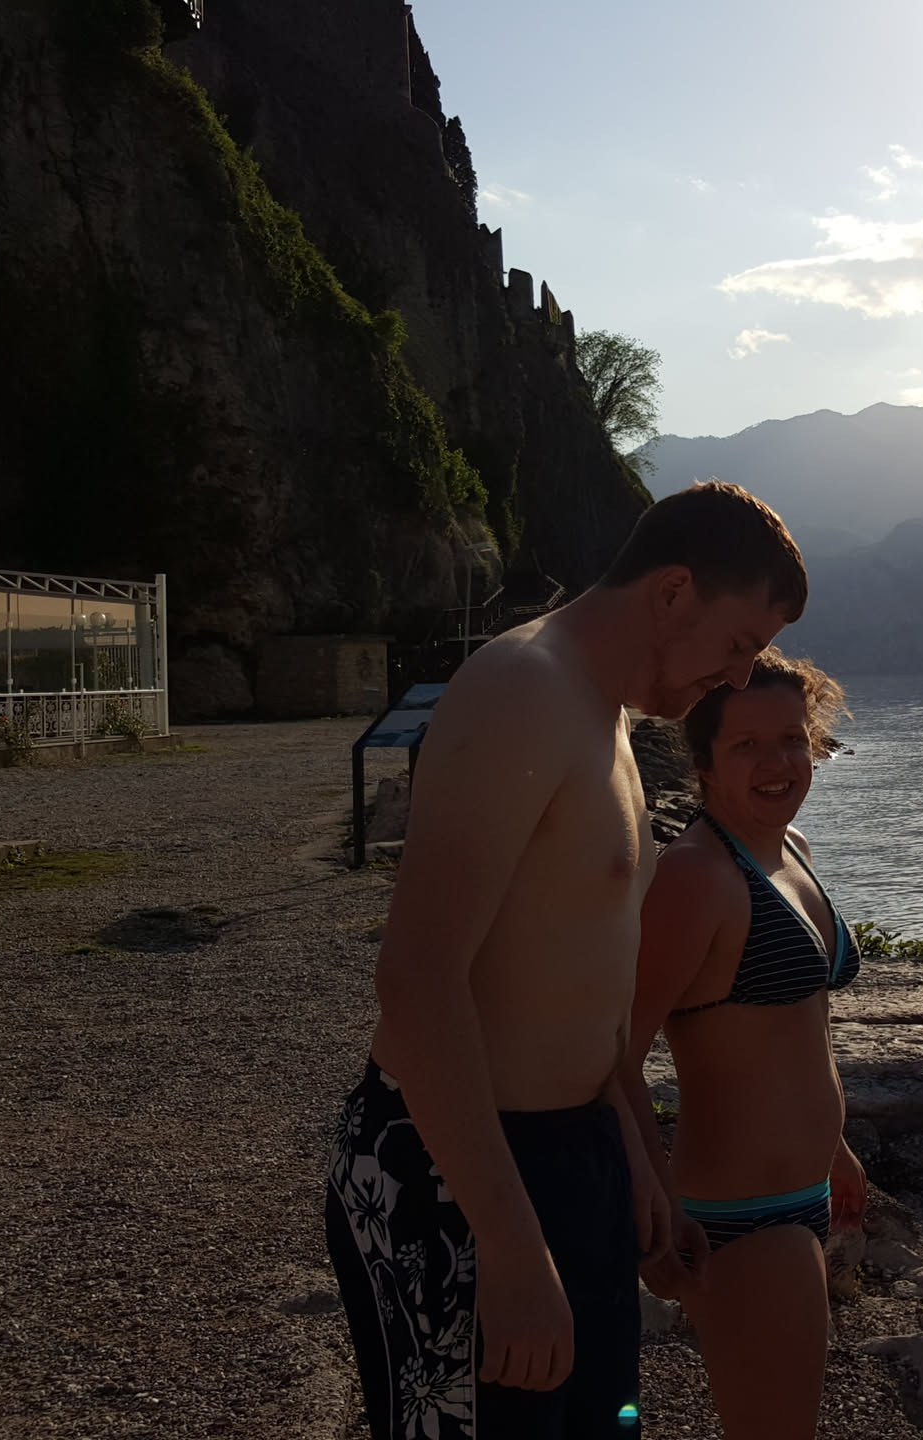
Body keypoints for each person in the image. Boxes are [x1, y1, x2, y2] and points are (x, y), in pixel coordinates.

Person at [324, 482, 807, 1440]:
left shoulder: (607, 718)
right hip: (460, 1166)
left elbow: (590, 987)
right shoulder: (522, 689)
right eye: (738, 642)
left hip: (571, 1154)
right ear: (672, 592)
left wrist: (645, 1173)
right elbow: (417, 980)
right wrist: (510, 1252)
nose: (736, 675)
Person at [619, 650, 864, 1440]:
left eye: (792, 739)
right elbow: (613, 1058)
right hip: (740, 1215)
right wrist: (655, 1206)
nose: (778, 764)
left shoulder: (791, 851)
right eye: (747, 746)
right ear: (703, 764)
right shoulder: (695, 877)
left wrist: (835, 1148)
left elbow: (799, 1026)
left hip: (804, 1193)